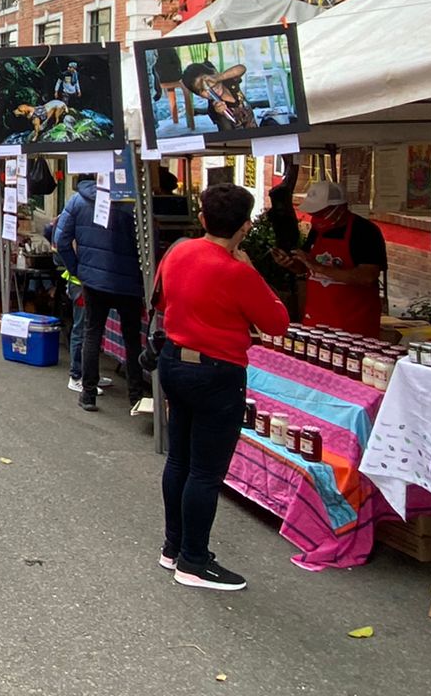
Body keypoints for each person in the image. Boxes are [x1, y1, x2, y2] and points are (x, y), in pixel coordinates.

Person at [156, 183, 291, 591]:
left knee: (179, 459)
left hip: (175, 360)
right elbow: (277, 323)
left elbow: (162, 300)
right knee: (205, 471)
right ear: (245, 227)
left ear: (202, 219)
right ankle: (193, 561)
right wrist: (248, 268)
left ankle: (173, 546)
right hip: (217, 372)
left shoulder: (179, 251)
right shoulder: (237, 272)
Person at [54, 174, 147, 412]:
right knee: (132, 340)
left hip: (93, 281)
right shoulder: (132, 198)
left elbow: (60, 239)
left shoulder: (76, 201)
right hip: (130, 282)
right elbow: (148, 242)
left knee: (92, 333)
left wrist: (77, 270)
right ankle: (136, 396)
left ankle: (88, 394)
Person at [274, 180, 386, 336]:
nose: (315, 217)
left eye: (320, 213)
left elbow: (367, 276)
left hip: (353, 326)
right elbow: (306, 266)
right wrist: (291, 264)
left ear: (339, 208)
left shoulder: (365, 232)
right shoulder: (318, 230)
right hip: (316, 320)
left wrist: (319, 267)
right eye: (313, 213)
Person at [48, 212, 111, 396]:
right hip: (80, 283)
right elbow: (62, 245)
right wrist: (76, 271)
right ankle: (76, 376)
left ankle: (90, 374)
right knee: (82, 329)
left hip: (87, 281)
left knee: (91, 330)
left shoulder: (84, 218)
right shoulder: (77, 221)